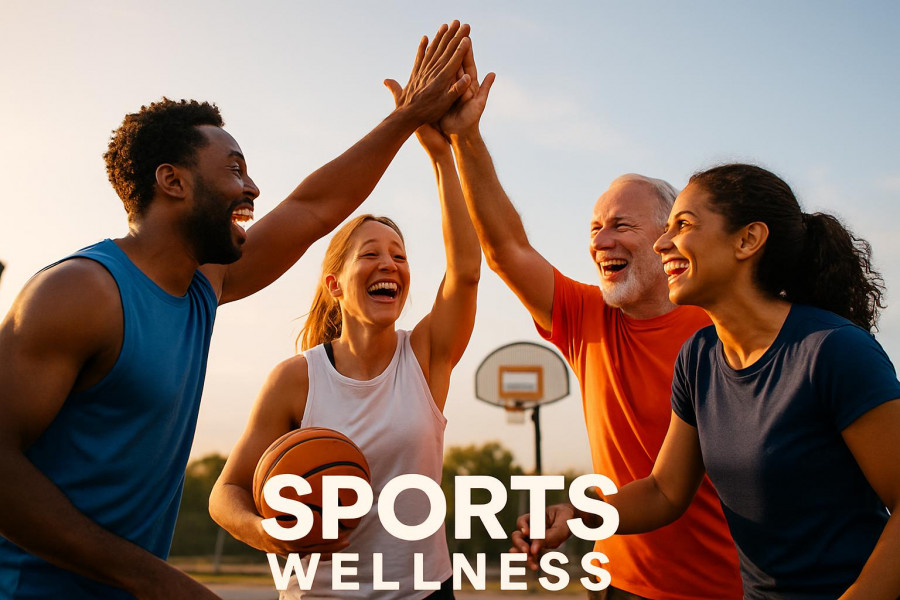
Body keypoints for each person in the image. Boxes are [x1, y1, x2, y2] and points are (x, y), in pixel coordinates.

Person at [0, 21, 473, 600]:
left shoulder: (205, 285)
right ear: (172, 182)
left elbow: (314, 206)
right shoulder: (81, 293)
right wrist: (151, 577)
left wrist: (408, 122)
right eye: (233, 170)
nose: (251, 188)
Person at [517, 164, 900, 599]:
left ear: (747, 240)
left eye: (683, 225)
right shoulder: (700, 357)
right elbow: (663, 491)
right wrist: (579, 513)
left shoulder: (833, 351)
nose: (663, 243)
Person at [442, 54, 742, 599]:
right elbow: (506, 249)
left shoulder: (722, 328)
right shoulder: (588, 319)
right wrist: (466, 138)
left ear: (669, 236)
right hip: (614, 582)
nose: (602, 241)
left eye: (621, 225)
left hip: (719, 588)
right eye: (595, 228)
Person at [208, 44, 489, 600]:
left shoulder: (426, 356)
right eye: (371, 254)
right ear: (335, 285)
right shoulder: (297, 378)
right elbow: (227, 493)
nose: (389, 263)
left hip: (423, 592)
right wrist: (267, 532)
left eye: (400, 255)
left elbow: (465, 271)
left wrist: (442, 151)